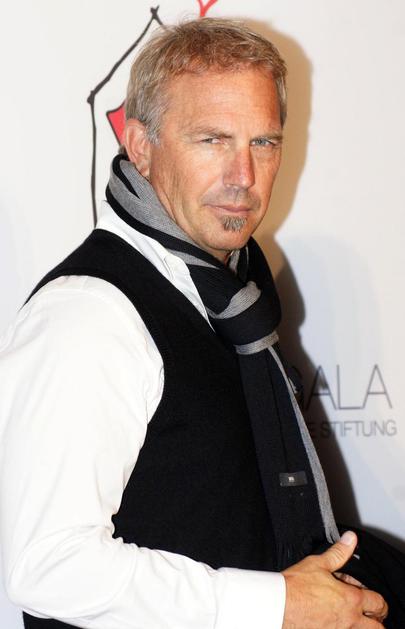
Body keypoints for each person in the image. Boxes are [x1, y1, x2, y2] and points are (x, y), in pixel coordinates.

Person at [0, 17, 389, 629]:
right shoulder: (90, 312)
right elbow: (47, 566)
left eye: (264, 143)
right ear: (141, 146)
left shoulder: (235, 295)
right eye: (212, 140)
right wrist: (277, 605)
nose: (244, 176)